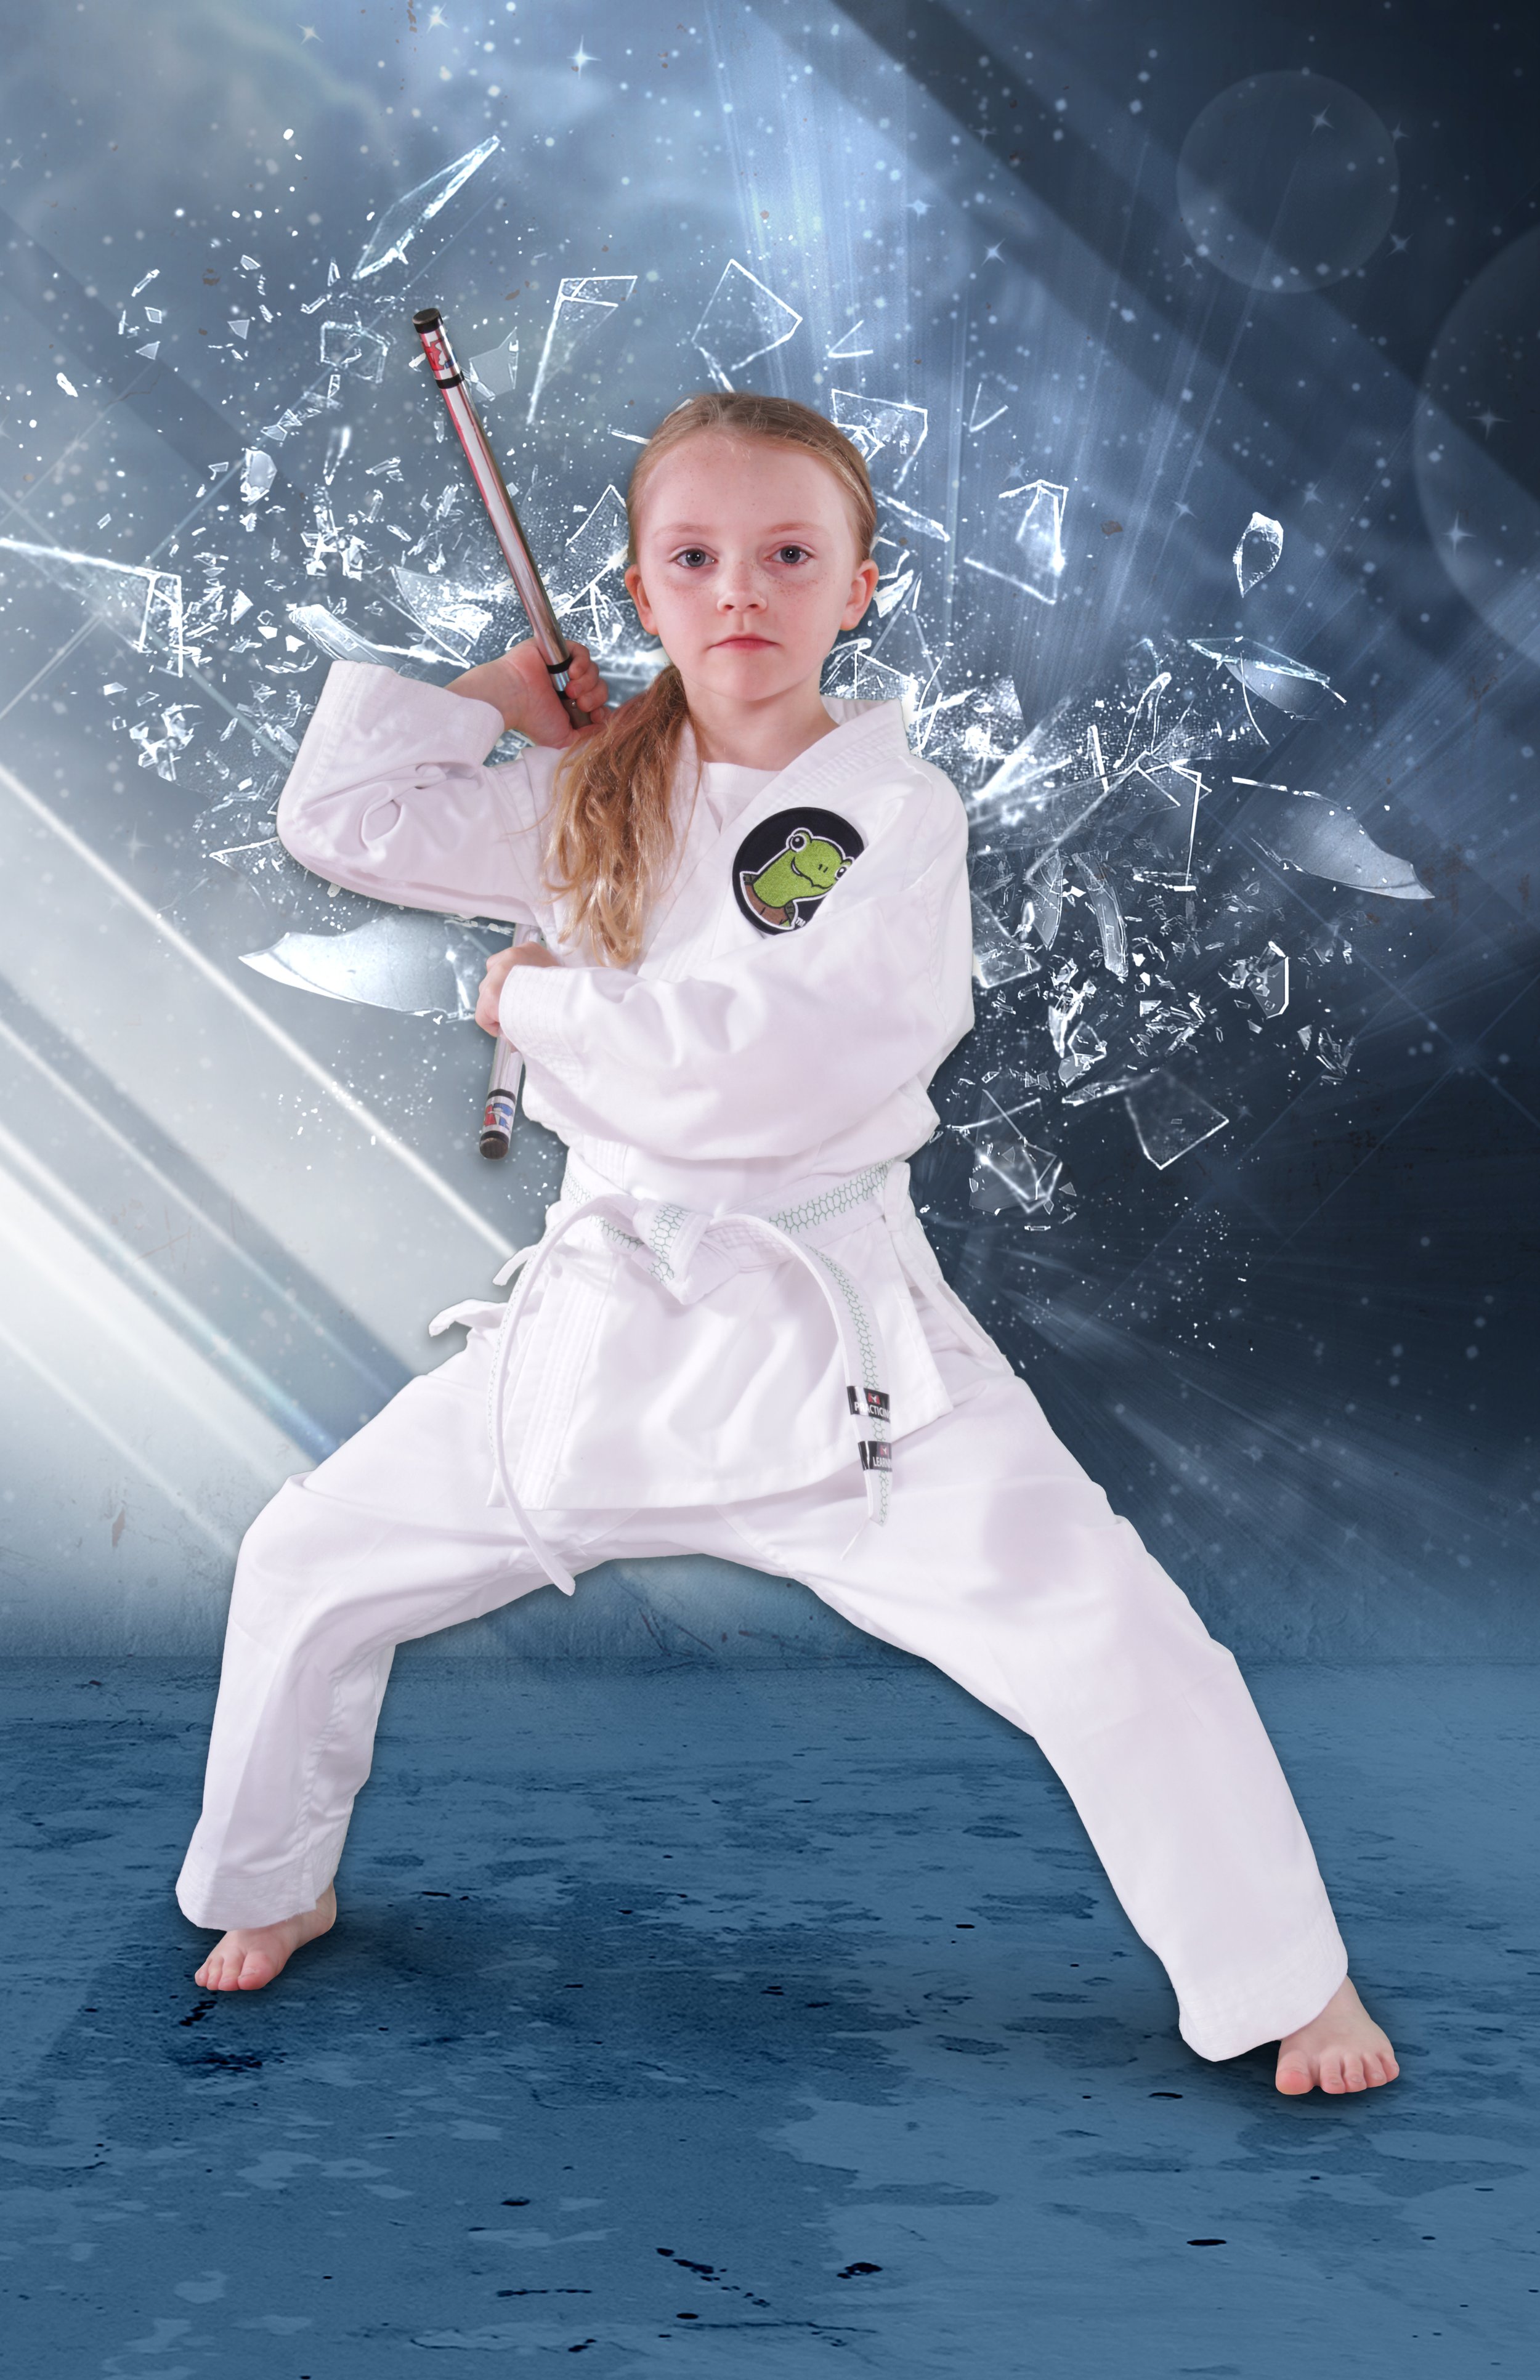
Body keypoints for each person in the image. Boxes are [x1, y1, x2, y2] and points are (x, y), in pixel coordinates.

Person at [177, 392, 1397, 2098]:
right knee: (310, 1564)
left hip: (840, 1361)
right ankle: (266, 1883)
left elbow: (765, 1072)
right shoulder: (593, 796)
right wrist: (485, 709)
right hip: (595, 1345)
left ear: (859, 587)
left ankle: (1285, 1983)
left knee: (1114, 1639)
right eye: (693, 559)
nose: (738, 590)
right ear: (638, 592)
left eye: (785, 556)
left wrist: (529, 991)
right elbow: (350, 828)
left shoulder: (891, 820)